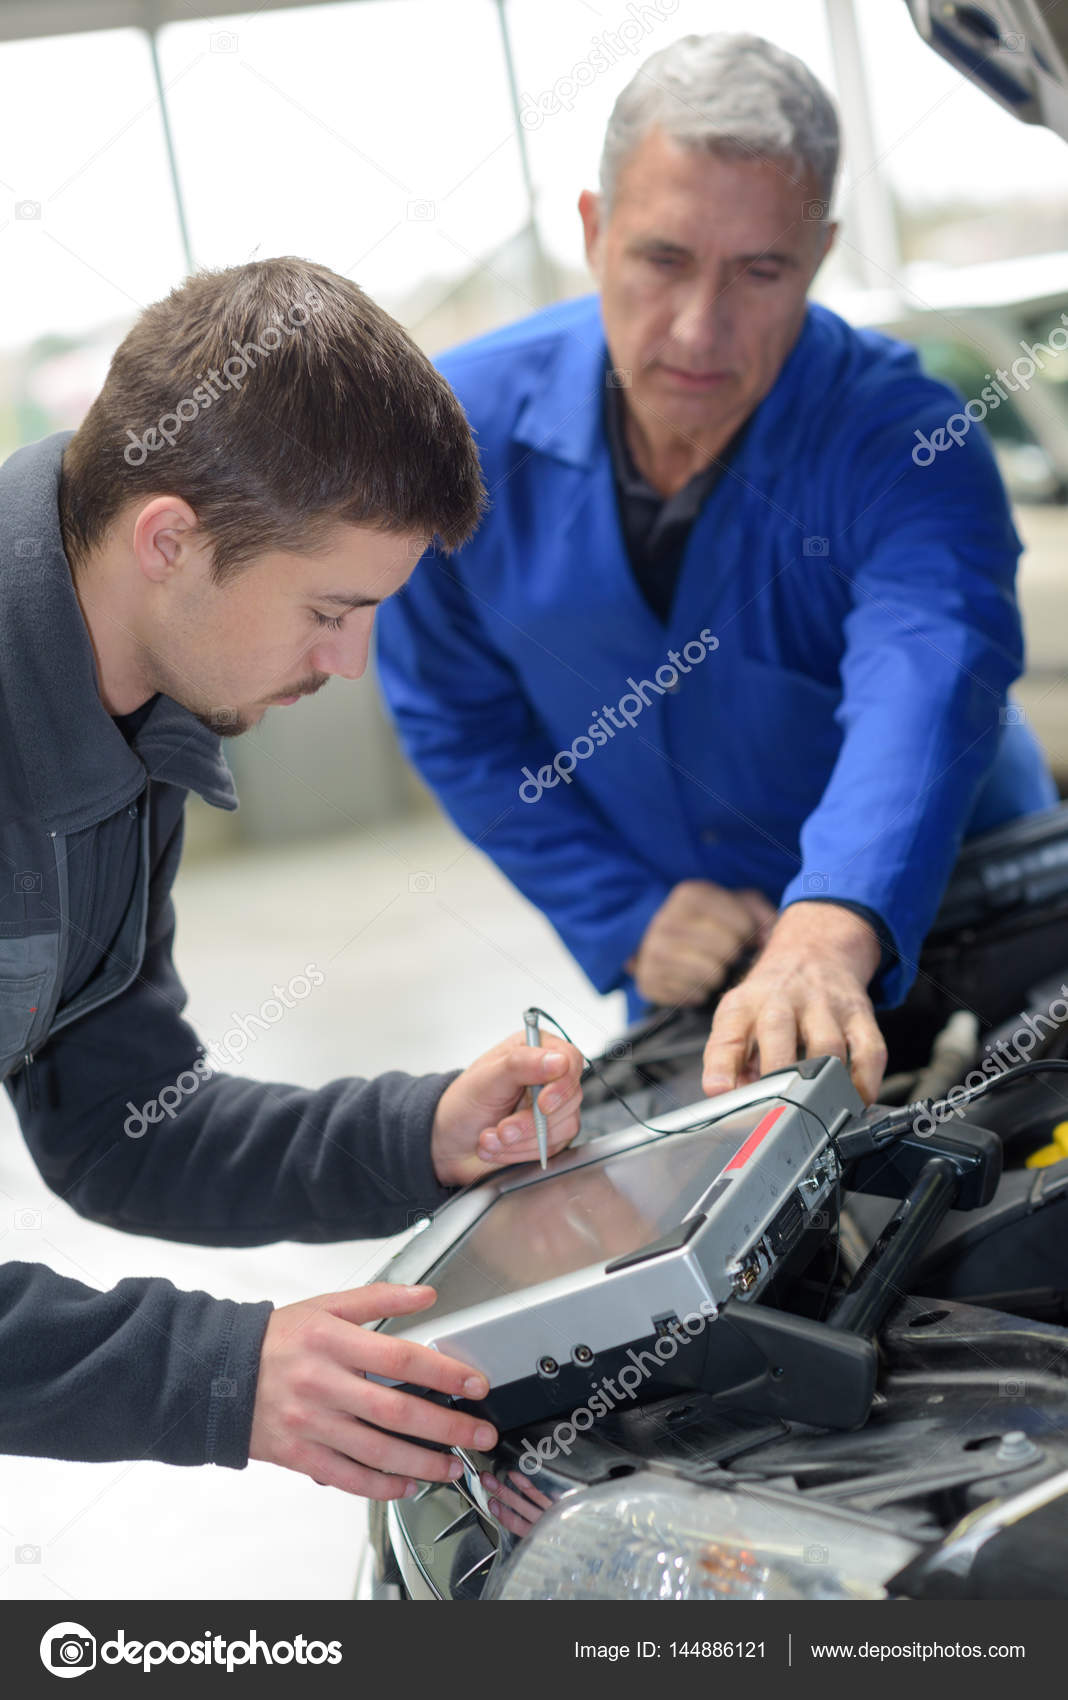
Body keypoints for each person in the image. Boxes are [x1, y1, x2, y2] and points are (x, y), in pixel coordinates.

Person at [376, 31, 1056, 1109]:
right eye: (663, 259)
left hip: (985, 911)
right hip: (698, 965)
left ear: (820, 255)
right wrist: (626, 913)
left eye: (759, 271)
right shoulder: (448, 439)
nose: (700, 326)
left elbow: (930, 675)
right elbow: (457, 717)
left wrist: (831, 919)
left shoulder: (908, 439)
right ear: (594, 232)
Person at [0, 255, 585, 1504]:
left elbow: (120, 1125)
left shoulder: (136, 705)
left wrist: (416, 1133)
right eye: (330, 607)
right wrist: (220, 1369)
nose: (355, 659)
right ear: (173, 538)